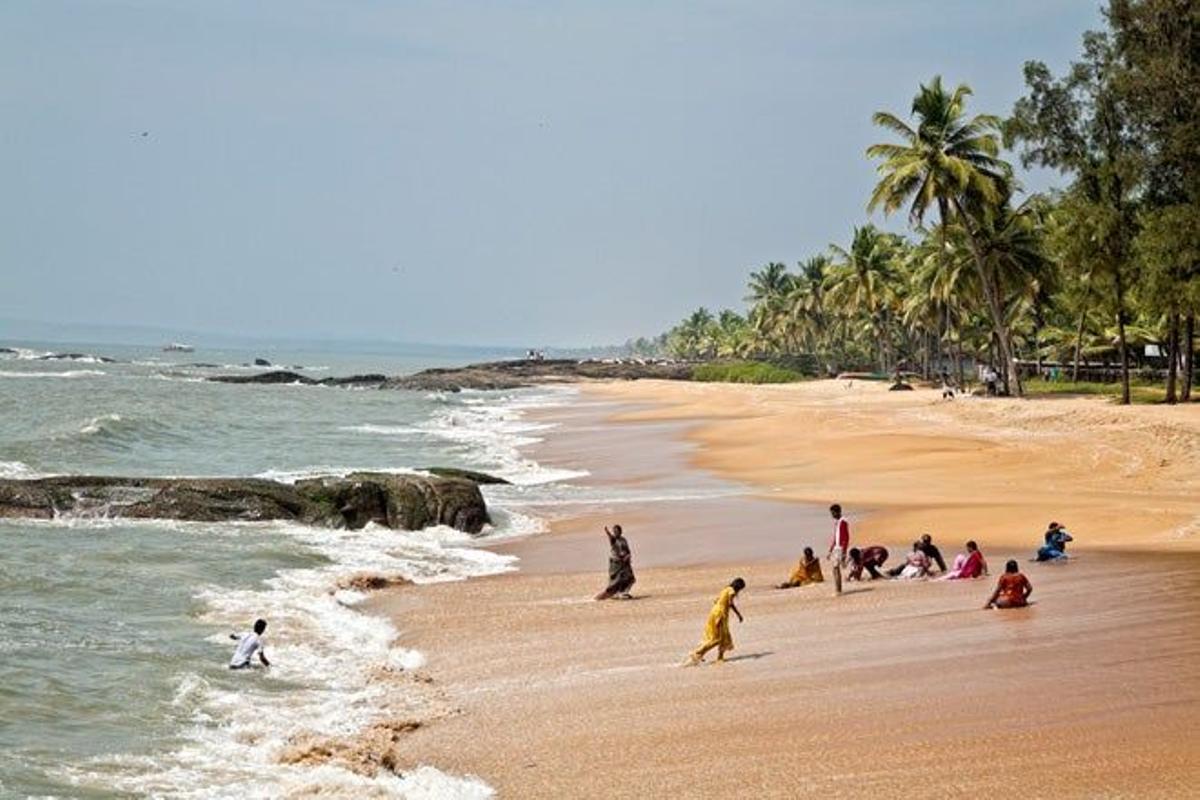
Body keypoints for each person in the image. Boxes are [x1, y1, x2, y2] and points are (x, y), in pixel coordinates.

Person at [685, 578, 745, 665]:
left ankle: (720, 657)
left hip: (715, 613)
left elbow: (715, 601)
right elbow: (730, 603)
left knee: (724, 636)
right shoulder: (731, 591)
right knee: (717, 639)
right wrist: (738, 614)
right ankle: (697, 653)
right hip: (720, 615)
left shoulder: (725, 589)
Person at [595, 524, 636, 600]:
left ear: (621, 532)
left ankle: (623, 592)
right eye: (614, 531)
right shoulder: (613, 539)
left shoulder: (623, 539)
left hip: (625, 562)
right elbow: (610, 537)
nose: (615, 532)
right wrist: (607, 532)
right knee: (616, 580)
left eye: (617, 531)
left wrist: (628, 556)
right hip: (616, 563)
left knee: (630, 578)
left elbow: (627, 549)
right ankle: (614, 594)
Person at [827, 503, 850, 594]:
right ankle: (838, 589)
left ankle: (838, 590)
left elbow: (846, 538)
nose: (832, 515)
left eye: (833, 513)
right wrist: (830, 550)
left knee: (836, 568)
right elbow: (835, 538)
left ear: (838, 512)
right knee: (834, 569)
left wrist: (844, 552)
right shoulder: (837, 522)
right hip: (836, 548)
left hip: (840, 548)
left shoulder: (843, 522)